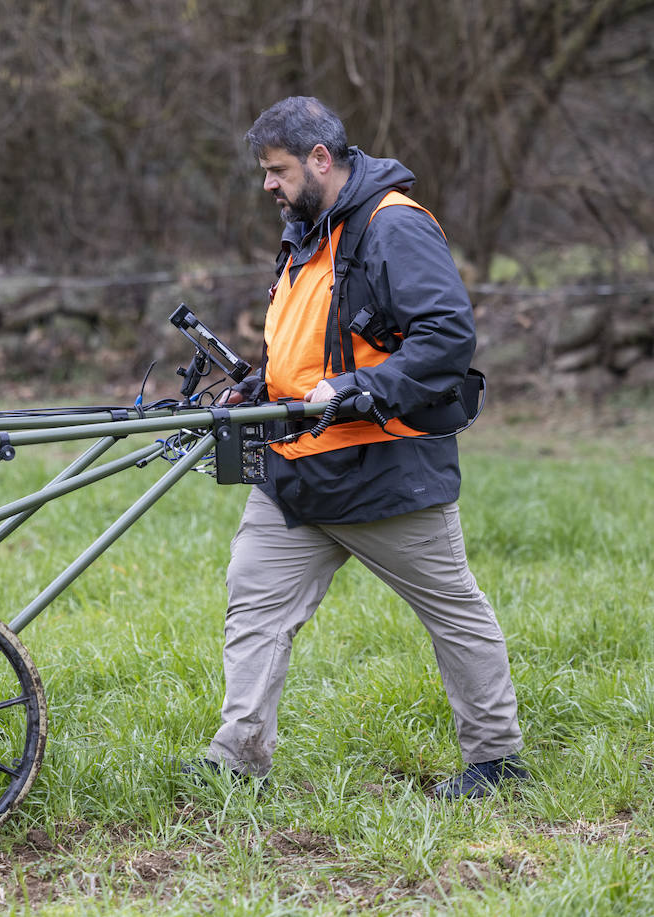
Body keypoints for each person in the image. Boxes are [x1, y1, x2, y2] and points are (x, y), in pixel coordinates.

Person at [198, 96, 525, 799]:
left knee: (453, 610)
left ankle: (497, 760)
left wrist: (358, 387)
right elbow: (310, 341)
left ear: (322, 159)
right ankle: (237, 759)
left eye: (277, 170)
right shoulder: (306, 230)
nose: (268, 185)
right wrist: (259, 385)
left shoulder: (394, 227)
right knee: (253, 603)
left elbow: (445, 339)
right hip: (295, 476)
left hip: (386, 474)